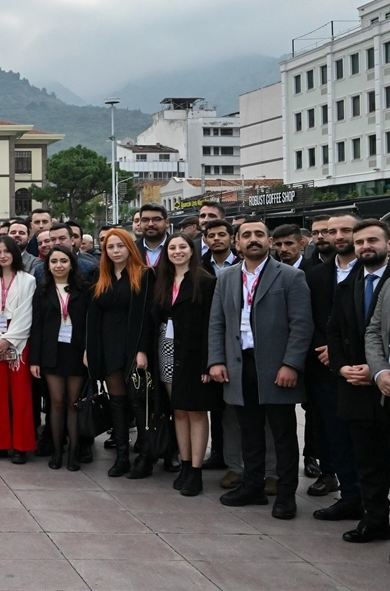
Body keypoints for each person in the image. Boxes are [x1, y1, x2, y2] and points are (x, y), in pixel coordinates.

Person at [209, 218, 312, 519]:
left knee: (282, 433)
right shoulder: (226, 278)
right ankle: (251, 486)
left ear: (269, 241)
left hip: (277, 367)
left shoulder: (290, 277)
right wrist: (216, 360)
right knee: (249, 430)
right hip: (240, 365)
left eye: (259, 235)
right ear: (236, 243)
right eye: (246, 236)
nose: (253, 240)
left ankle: (286, 494)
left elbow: (302, 325)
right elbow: (217, 323)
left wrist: (291, 364)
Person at [328, 219, 390, 539]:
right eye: (360, 242)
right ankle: (374, 519)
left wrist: (377, 368)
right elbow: (335, 333)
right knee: (366, 459)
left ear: (388, 245)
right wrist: (342, 368)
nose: (366, 246)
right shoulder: (346, 285)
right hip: (354, 385)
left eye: (373, 240)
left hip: (386, 384)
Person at [150, 233, 218, 496]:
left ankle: (197, 471)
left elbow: (211, 326)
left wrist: (207, 364)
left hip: (194, 355)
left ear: (192, 251)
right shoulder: (162, 281)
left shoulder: (206, 281)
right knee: (178, 410)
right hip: (166, 351)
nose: (177, 251)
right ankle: (185, 465)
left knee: (196, 412)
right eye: (172, 248)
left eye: (183, 247)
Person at [303, 214, 361, 508]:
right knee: (331, 431)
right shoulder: (315, 275)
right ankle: (346, 493)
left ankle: (370, 498)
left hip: (362, 369)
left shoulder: (373, 271)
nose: (338, 235)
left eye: (346, 230)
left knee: (364, 438)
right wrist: (323, 348)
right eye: (330, 231)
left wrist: (341, 354)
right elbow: (306, 319)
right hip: (323, 366)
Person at [86, 228, 153, 479]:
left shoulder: (145, 275)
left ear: (130, 248)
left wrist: (142, 350)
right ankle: (122, 456)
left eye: (120, 246)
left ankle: (145, 457)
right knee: (117, 402)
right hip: (107, 343)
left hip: (133, 345)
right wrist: (89, 349)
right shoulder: (99, 275)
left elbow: (147, 316)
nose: (115, 251)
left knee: (138, 403)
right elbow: (93, 315)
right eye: (110, 247)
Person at [0, 236, 37, 463]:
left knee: (21, 396)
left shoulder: (28, 280)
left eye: (7, 251)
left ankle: (21, 446)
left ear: (14, 253)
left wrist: (9, 339)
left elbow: (26, 314)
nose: (2, 256)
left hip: (18, 342)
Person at [29, 245, 89, 471]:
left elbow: (90, 325)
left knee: (72, 404)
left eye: (63, 261)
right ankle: (56, 451)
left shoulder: (84, 290)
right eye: (54, 262)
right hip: (51, 353)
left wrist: (88, 351)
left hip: (76, 353)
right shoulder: (42, 291)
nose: (59, 265)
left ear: (72, 264)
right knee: (55, 403)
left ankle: (73, 452)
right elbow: (36, 327)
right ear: (48, 265)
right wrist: (35, 359)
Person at [136, 203, 169, 268]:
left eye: (156, 219)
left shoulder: (180, 249)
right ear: (140, 223)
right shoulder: (131, 249)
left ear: (167, 222)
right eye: (145, 220)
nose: (150, 224)